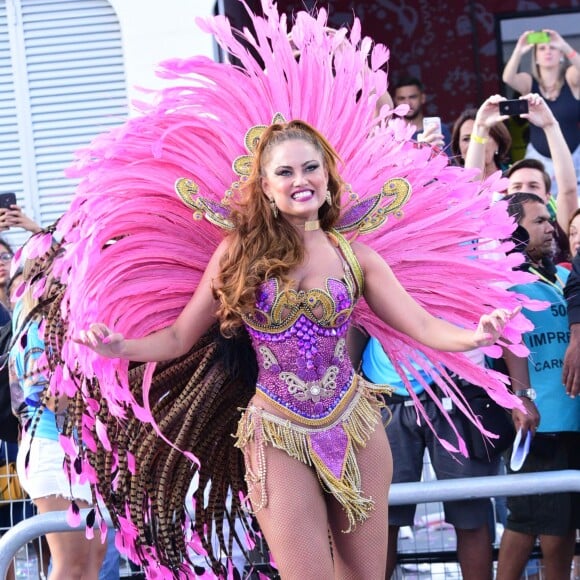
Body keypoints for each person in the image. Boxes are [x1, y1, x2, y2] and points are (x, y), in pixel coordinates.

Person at [73, 119, 520, 579]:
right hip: (277, 432)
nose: (300, 180)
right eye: (285, 172)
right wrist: (121, 345)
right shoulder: (237, 254)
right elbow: (178, 337)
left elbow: (421, 324)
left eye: (310, 168)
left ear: (327, 176)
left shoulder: (356, 257)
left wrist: (476, 337)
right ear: (265, 187)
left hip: (356, 427)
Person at [9, 241, 108, 580]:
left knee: (92, 561)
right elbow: (51, 399)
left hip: (82, 452)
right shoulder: (37, 329)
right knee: (71, 564)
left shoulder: (66, 321)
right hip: (53, 451)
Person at [497, 192, 580, 580]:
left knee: (560, 527)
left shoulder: (566, 276)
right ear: (514, 231)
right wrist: (522, 397)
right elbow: (509, 338)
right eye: (539, 222)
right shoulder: (506, 282)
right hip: (538, 421)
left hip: (572, 417)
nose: (550, 228)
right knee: (533, 525)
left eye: (550, 220)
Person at [502, 29, 580, 195]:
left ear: (561, 54)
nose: (548, 52)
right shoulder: (529, 82)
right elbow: (508, 78)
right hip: (538, 158)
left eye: (552, 47)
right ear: (535, 57)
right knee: (538, 202)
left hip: (575, 158)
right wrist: (519, 50)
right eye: (542, 49)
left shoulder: (571, 77)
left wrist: (564, 45)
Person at [450, 98, 512, 179]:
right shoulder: (449, 186)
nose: (474, 144)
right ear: (458, 147)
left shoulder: (515, 178)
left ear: (498, 142)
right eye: (466, 139)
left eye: (484, 135)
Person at [392, 76, 451, 150]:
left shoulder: (440, 130)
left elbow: (449, 161)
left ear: (423, 98)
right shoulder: (390, 134)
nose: (407, 103)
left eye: (412, 97)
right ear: (394, 101)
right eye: (401, 98)